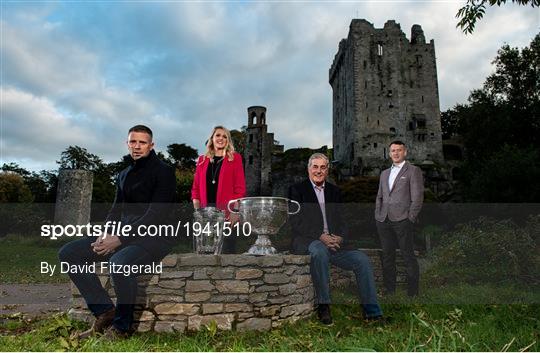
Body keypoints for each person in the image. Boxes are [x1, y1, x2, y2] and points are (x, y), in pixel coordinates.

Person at [58, 125, 176, 339]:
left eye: (142, 142)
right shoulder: (124, 174)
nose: (137, 146)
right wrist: (105, 234)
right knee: (69, 253)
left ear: (151, 145)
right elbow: (115, 210)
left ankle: (122, 328)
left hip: (155, 237)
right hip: (123, 235)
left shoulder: (164, 171)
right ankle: (105, 312)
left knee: (120, 264)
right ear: (127, 143)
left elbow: (155, 215)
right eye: (133, 141)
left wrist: (119, 239)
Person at [288, 153, 383, 325]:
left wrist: (339, 237)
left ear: (327, 170)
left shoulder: (335, 191)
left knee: (362, 259)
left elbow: (343, 220)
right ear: (308, 169)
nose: (318, 171)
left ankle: (373, 312)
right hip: (310, 240)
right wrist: (321, 236)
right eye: (315, 167)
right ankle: (324, 306)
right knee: (319, 251)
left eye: (323, 167)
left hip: (334, 243)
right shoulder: (297, 190)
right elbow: (296, 221)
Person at [375, 140, 424, 297]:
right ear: (389, 153)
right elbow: (380, 196)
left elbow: (417, 198)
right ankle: (390, 291)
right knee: (387, 256)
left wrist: (410, 218)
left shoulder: (413, 171)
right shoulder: (384, 174)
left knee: (407, 255)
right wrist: (378, 213)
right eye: (393, 151)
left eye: (399, 150)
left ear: (405, 152)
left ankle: (413, 294)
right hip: (384, 220)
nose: (396, 153)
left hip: (403, 219)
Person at [191, 125, 246, 253]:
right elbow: (195, 189)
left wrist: (235, 211)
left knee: (226, 251)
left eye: (224, 136)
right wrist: (198, 212)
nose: (221, 138)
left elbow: (240, 188)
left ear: (228, 140)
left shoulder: (235, 158)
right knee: (204, 251)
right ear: (212, 138)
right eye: (218, 135)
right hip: (205, 213)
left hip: (226, 212)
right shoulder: (202, 160)